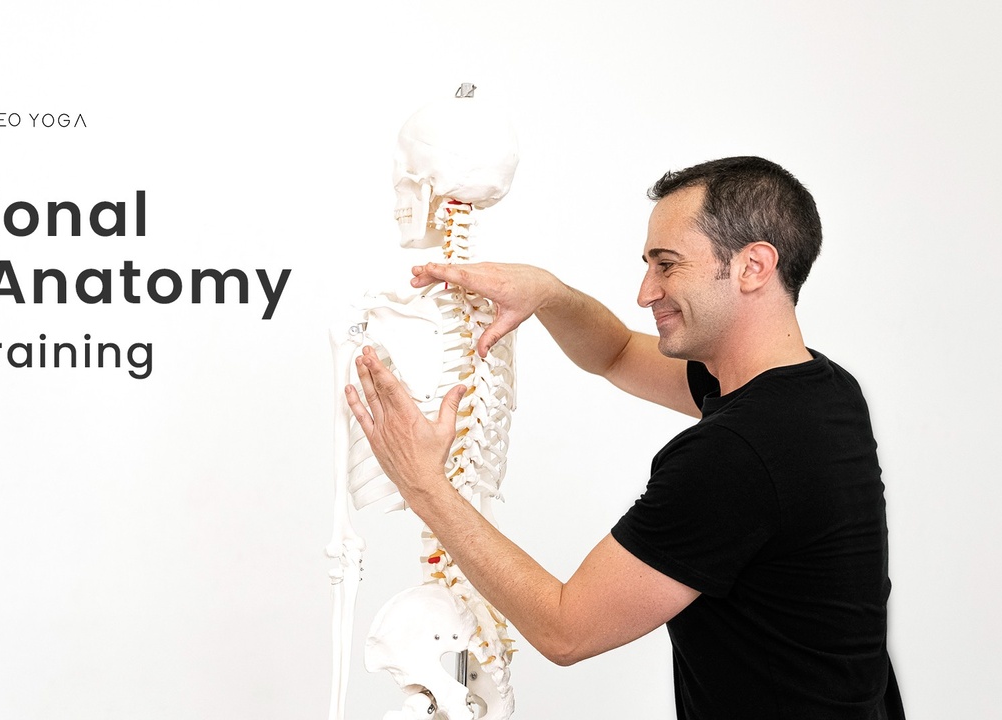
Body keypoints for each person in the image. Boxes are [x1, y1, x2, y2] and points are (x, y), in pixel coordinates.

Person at [344, 156, 903, 719]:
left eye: (667, 265)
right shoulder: (823, 392)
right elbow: (615, 353)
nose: (645, 292)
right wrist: (548, 293)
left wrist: (423, 484)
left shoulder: (736, 454)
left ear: (752, 266)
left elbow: (566, 629)